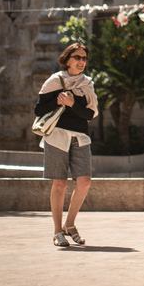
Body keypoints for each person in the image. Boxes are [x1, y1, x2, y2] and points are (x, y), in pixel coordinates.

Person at [34, 42, 99, 247]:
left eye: (84, 58)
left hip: (80, 136)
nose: (81, 62)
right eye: (77, 57)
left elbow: (90, 114)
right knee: (59, 183)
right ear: (67, 59)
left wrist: (72, 104)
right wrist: (57, 102)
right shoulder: (55, 80)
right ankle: (57, 231)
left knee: (85, 181)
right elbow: (39, 109)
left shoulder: (87, 84)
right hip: (56, 137)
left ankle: (70, 224)